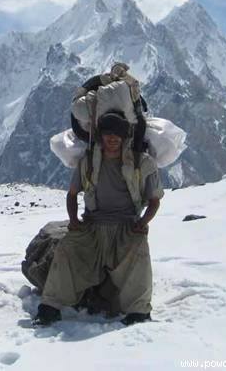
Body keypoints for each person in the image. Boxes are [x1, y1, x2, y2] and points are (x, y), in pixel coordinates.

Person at [33, 111, 163, 326]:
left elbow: (154, 200)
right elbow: (73, 194)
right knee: (67, 250)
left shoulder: (142, 163)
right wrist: (73, 220)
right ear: (101, 136)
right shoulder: (89, 162)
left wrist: (142, 223)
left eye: (117, 135)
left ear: (124, 137)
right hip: (92, 225)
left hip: (127, 225)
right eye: (107, 134)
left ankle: (139, 311)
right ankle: (50, 307)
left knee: (138, 255)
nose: (112, 139)